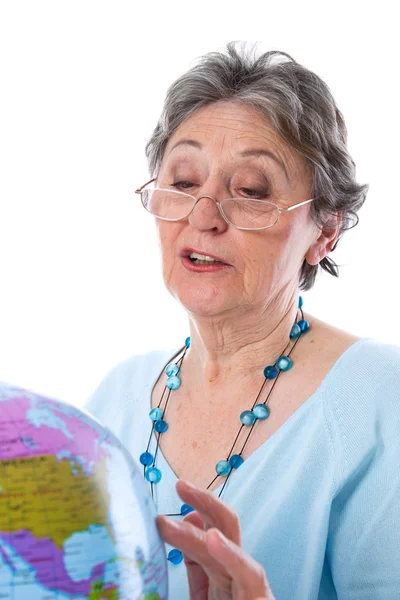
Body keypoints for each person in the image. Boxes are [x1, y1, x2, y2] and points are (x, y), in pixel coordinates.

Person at [85, 42, 400, 599]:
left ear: (326, 231)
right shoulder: (116, 396)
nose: (204, 216)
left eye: (251, 191)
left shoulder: (376, 395)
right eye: (183, 182)